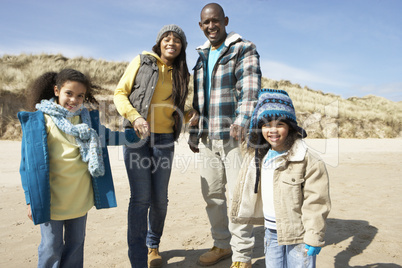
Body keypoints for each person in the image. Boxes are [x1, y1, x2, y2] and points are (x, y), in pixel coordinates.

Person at [18, 69, 139, 268]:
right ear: (57, 91)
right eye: (69, 93)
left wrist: (135, 136)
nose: (74, 100)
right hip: (51, 199)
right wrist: (30, 199)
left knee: (75, 245)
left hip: (79, 196)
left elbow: (110, 136)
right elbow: (26, 164)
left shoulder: (87, 120)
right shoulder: (38, 120)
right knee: (50, 247)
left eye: (80, 95)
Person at [114, 24, 197, 268]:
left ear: (182, 47)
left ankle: (153, 246)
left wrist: (193, 113)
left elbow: (177, 106)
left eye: (177, 40)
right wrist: (135, 116)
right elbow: (120, 93)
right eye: (167, 38)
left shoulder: (181, 73)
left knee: (160, 199)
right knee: (140, 199)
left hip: (164, 140)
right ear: (159, 42)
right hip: (136, 137)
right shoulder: (142, 61)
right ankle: (138, 260)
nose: (171, 43)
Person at [188, 3, 261, 268]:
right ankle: (221, 244)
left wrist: (242, 120)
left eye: (215, 20)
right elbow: (199, 102)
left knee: (239, 196)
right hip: (208, 138)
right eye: (206, 22)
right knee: (213, 196)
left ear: (225, 20)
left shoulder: (243, 48)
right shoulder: (200, 57)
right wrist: (194, 132)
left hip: (235, 136)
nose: (211, 26)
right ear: (200, 25)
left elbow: (250, 88)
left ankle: (242, 256)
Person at [232, 88, 331, 267]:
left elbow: (317, 202)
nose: (273, 130)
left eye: (280, 124)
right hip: (270, 232)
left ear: (290, 126)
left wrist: (314, 236)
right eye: (266, 124)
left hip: (299, 233)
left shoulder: (308, 160)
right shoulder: (258, 157)